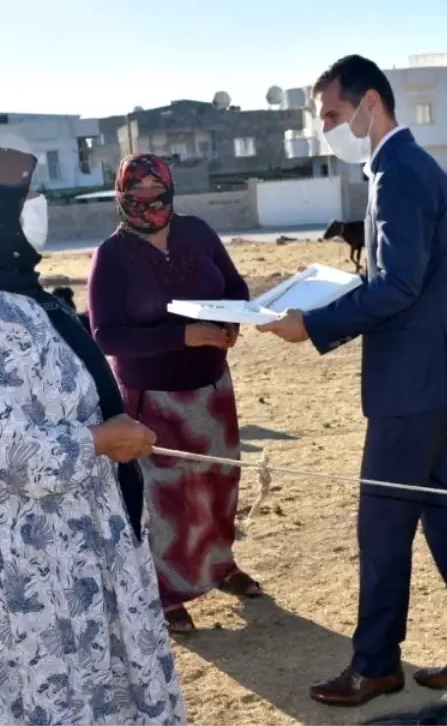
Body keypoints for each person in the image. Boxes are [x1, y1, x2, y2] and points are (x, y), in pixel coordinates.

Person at [0, 145, 186, 725]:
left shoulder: (4, 292)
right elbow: (14, 455)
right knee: (48, 678)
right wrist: (102, 441)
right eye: (25, 199)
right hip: (25, 540)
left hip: (56, 527)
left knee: (86, 676)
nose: (37, 208)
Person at [258, 54, 447, 707]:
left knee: (383, 524)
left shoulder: (396, 173)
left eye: (333, 115)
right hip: (438, 375)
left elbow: (397, 284)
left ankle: (375, 664)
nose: (328, 130)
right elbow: (406, 277)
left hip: (414, 385)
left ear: (370, 104)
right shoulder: (414, 167)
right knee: (446, 514)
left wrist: (313, 324)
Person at [87, 153, 261, 636]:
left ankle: (219, 566)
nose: (146, 198)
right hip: (153, 397)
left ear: (169, 187)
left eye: (154, 187)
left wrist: (231, 322)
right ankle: (166, 592)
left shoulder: (198, 233)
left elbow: (235, 286)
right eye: (135, 190)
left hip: (211, 389)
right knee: (166, 501)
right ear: (120, 194)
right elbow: (106, 336)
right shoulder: (112, 255)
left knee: (218, 484)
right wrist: (184, 336)